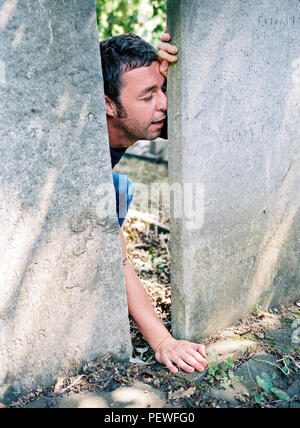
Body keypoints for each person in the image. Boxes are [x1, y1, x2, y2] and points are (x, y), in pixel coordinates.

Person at [100, 31, 207, 375]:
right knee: (118, 190)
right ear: (108, 104)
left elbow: (200, 124)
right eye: (148, 96)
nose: (162, 103)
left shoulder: (138, 117)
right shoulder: (84, 158)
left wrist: (180, 68)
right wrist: (163, 342)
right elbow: (120, 261)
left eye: (162, 90)